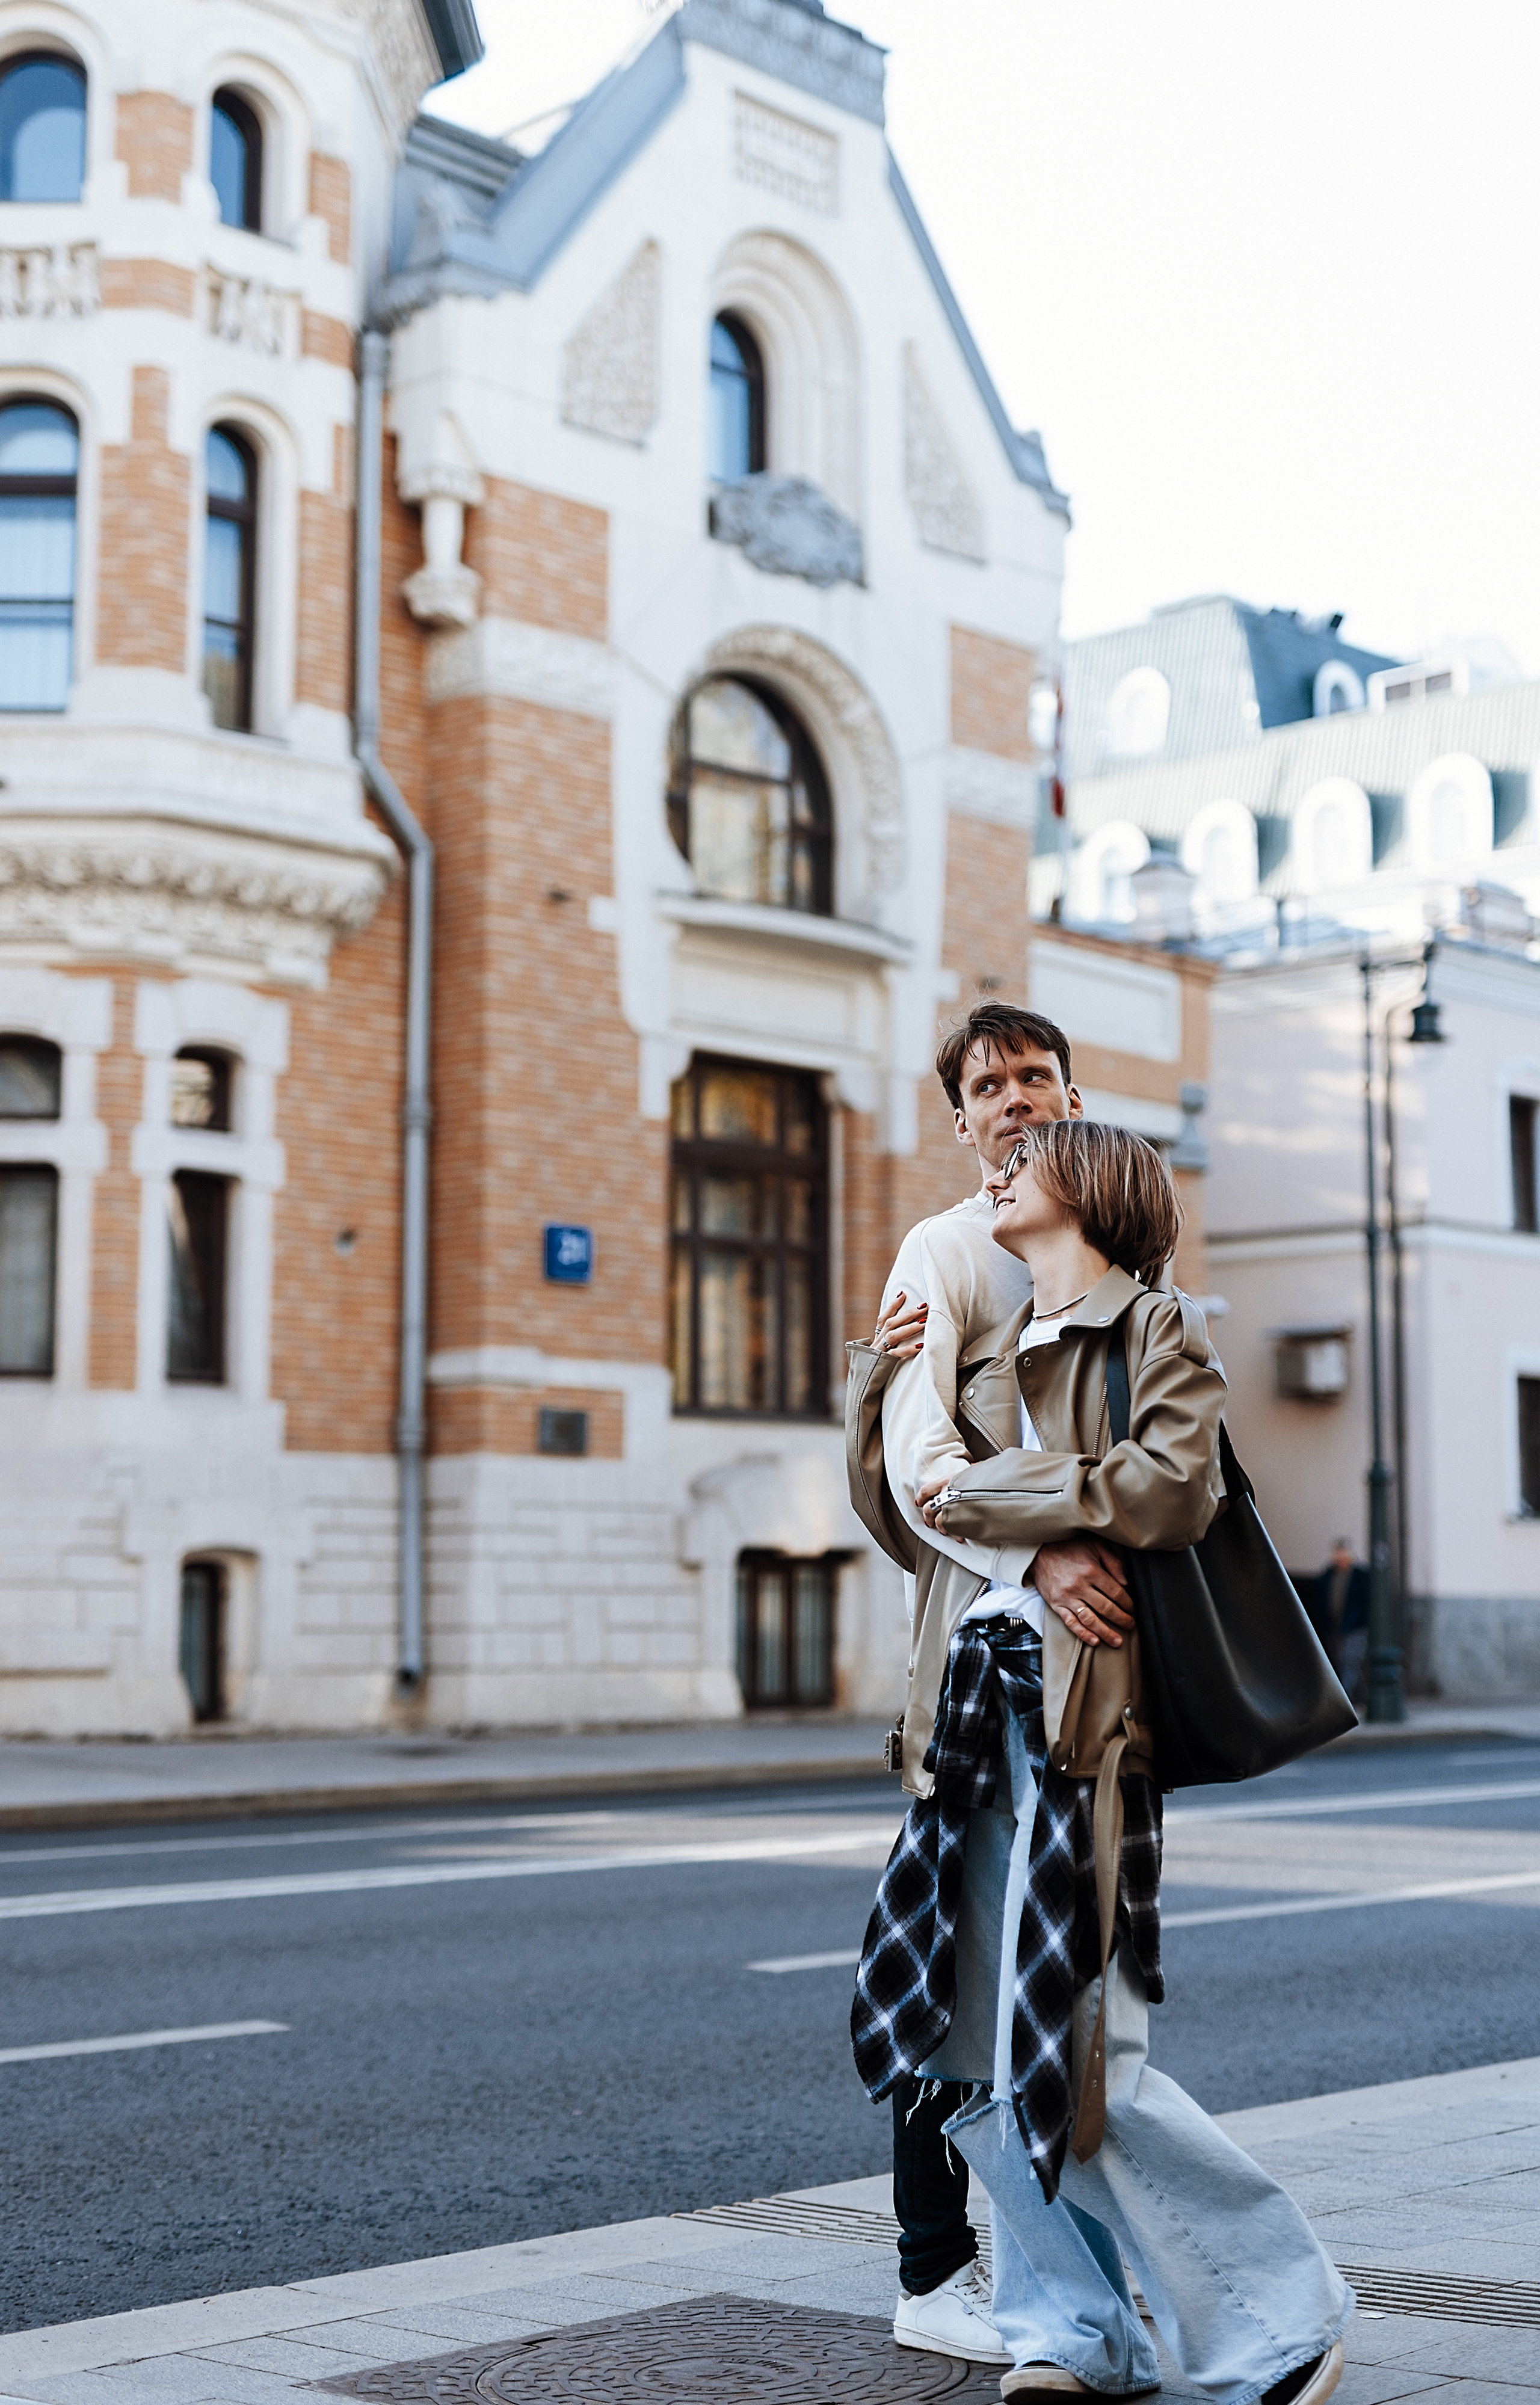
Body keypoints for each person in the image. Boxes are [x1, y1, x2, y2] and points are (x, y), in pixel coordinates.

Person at [851, 1121, 1352, 2405]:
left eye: (1034, 1152)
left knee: (1080, 2052)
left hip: (1085, 1718)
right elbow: (912, 1504)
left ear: (1092, 1190)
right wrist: (879, 1395)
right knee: (960, 2049)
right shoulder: (983, 1346)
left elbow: (1169, 1486)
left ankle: (1281, 2318)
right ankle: (1073, 2330)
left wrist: (1001, 1497)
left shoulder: (1154, 1330)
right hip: (972, 1712)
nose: (1002, 1163)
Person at [850, 1003, 1144, 2368]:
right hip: (973, 1666)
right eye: (988, 1084)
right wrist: (1043, 1555)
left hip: (1099, 1683)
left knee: (1080, 1979)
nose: (1015, 1097)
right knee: (952, 1966)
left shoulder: (1114, 1253)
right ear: (958, 1119)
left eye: (1035, 1075)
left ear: (1071, 1092)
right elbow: (913, 1475)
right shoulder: (943, 1252)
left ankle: (1077, 2292)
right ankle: (931, 2267)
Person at [1319, 1539, 1369, 1702]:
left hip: (1355, 1627)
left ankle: (1343, 1698)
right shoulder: (1329, 1575)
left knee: (1349, 1659)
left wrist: (1356, 1620)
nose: (1340, 1558)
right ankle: (1364, 1696)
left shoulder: (1360, 1576)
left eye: (1344, 1555)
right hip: (1334, 1627)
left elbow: (1364, 1603)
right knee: (1343, 1662)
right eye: (1338, 1555)